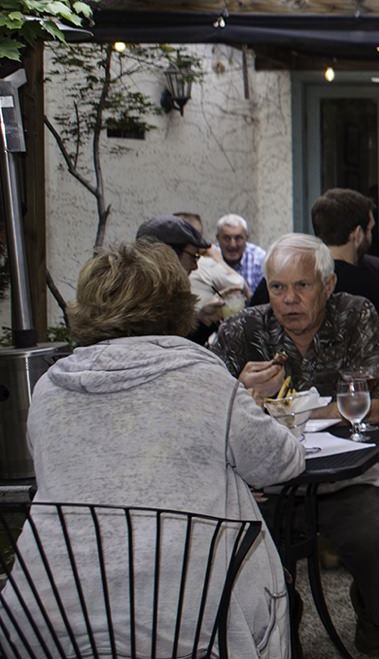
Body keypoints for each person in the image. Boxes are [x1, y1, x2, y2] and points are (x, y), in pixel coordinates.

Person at [8, 242, 303, 659]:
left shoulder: (51, 388)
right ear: (177, 303)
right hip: (187, 624)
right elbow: (284, 463)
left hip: (46, 623)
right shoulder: (203, 379)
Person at [213, 234, 379, 653]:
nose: (289, 300)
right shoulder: (240, 330)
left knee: (372, 533)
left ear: (328, 285)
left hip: (349, 474)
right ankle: (284, 613)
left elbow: (373, 406)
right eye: (278, 287)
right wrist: (244, 395)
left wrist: (281, 412)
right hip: (267, 483)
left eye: (302, 286)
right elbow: (215, 418)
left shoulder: (355, 315)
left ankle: (374, 612)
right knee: (235, 538)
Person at [248, 189, 379, 380]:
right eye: (369, 229)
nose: (291, 297)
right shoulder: (373, 283)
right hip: (353, 398)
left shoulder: (279, 280)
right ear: (357, 234)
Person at [137, 214, 225, 344]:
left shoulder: (163, 293)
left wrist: (202, 321)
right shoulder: (141, 298)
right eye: (193, 257)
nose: (195, 266)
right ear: (168, 255)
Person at [216, 213, 269, 291]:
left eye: (238, 238)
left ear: (246, 238)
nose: (232, 245)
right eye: (226, 238)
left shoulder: (260, 259)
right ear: (218, 238)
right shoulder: (207, 259)